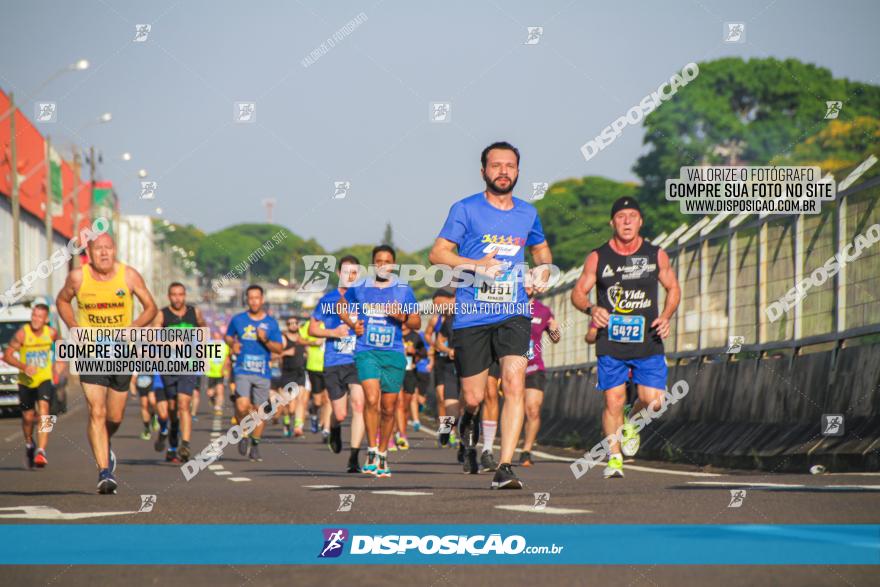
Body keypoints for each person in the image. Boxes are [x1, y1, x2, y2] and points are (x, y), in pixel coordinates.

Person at [429, 141, 553, 489]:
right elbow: (438, 254)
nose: (503, 171)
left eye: (510, 165)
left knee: (514, 384)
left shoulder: (527, 213)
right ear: (484, 171)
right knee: (473, 397)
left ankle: (505, 466)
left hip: (513, 311)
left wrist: (543, 270)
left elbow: (541, 248)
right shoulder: (465, 209)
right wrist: (475, 264)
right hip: (472, 314)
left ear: (518, 171)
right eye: (496, 165)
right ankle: (467, 424)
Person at [570, 196, 680, 478]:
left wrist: (666, 316)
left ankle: (632, 420)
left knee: (654, 401)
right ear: (612, 222)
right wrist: (591, 308)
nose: (627, 221)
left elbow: (674, 288)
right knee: (612, 400)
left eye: (633, 215)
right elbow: (578, 292)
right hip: (611, 340)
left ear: (641, 221)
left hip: (647, 339)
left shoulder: (656, 254)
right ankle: (614, 457)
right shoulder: (598, 257)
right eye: (621, 216)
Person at [57, 232, 157, 494]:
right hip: (92, 351)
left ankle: (105, 443)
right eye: (98, 248)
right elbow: (62, 301)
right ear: (89, 252)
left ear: (115, 250)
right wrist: (74, 326)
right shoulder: (79, 277)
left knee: (114, 416)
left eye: (108, 248)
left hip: (122, 352)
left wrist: (134, 327)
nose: (103, 253)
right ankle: (104, 472)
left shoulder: (129, 275)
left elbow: (151, 307)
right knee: (97, 412)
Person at [338, 245, 420, 478]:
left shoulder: (403, 290)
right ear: (373, 264)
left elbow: (416, 322)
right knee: (371, 399)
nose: (383, 265)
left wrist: (402, 317)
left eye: (387, 261)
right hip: (367, 351)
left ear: (393, 265)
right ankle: (372, 450)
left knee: (389, 408)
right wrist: (353, 324)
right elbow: (341, 306)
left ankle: (383, 454)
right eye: (378, 261)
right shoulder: (360, 287)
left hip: (393, 353)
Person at [309, 256, 367, 472]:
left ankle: (354, 457)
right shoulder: (327, 300)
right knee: (341, 414)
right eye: (346, 272)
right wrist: (332, 332)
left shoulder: (363, 299)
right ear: (338, 273)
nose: (350, 276)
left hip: (357, 359)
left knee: (359, 404)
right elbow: (312, 330)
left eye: (354, 273)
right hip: (334, 360)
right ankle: (334, 427)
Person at [225, 285, 284, 462]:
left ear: (262, 300)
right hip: (242, 369)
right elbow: (228, 336)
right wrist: (232, 344)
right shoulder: (238, 320)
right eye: (250, 298)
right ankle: (243, 434)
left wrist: (265, 339)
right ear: (247, 300)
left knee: (260, 411)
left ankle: (255, 444)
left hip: (262, 372)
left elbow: (279, 348)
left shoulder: (271, 323)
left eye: (257, 298)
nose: (254, 301)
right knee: (242, 406)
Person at [152, 282, 206, 463]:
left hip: (188, 366)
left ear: (185, 295)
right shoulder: (163, 314)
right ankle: (173, 439)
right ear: (169, 296)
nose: (178, 298)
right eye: (174, 295)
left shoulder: (194, 312)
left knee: (184, 403)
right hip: (168, 367)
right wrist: (169, 342)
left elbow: (203, 331)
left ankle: (185, 444)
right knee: (172, 410)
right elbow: (153, 338)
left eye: (181, 294)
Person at [3, 304, 62, 469]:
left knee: (45, 412)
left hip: (44, 378)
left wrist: (60, 362)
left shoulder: (51, 333)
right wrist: (24, 367)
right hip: (26, 381)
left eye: (39, 316)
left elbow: (61, 345)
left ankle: (41, 451)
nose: (36, 319)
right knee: (28, 418)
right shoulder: (23, 334)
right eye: (34, 315)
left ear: (46, 319)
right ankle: (29, 444)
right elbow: (7, 356)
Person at [518, 286, 561, 467]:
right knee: (517, 410)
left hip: (534, 367)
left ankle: (526, 450)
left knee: (533, 409)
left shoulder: (543, 311)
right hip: (511, 368)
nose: (528, 287)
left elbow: (556, 338)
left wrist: (554, 329)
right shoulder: (508, 306)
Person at [296, 319, 329, 437]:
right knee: (317, 400)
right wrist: (313, 342)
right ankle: (313, 413)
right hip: (313, 366)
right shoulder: (311, 324)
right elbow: (298, 339)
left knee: (328, 399)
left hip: (330, 365)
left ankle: (326, 428)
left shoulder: (332, 322)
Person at [398, 320, 427, 450]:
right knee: (397, 403)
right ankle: (400, 434)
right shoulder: (395, 332)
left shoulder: (415, 336)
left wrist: (414, 352)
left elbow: (424, 352)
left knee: (405, 404)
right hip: (396, 371)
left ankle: (447, 433)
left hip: (411, 373)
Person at [278, 317, 307, 437]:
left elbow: (309, 349)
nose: (293, 325)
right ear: (287, 325)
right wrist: (286, 353)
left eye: (295, 323)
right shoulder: (283, 339)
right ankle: (286, 420)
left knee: (300, 399)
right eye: (290, 323)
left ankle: (297, 426)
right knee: (290, 406)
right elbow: (275, 354)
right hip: (287, 373)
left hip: (300, 373)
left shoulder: (301, 339)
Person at [205, 332, 230, 416]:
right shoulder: (208, 346)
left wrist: (224, 369)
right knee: (210, 393)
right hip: (210, 373)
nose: (216, 340)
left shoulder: (224, 346)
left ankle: (218, 408)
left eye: (218, 338)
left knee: (220, 390)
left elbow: (227, 359)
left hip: (220, 373)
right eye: (215, 338)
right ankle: (213, 400)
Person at [130, 372, 158, 441]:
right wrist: (133, 392)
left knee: (152, 401)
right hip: (141, 383)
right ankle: (147, 429)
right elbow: (132, 379)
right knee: (144, 405)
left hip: (152, 381)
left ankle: (154, 416)